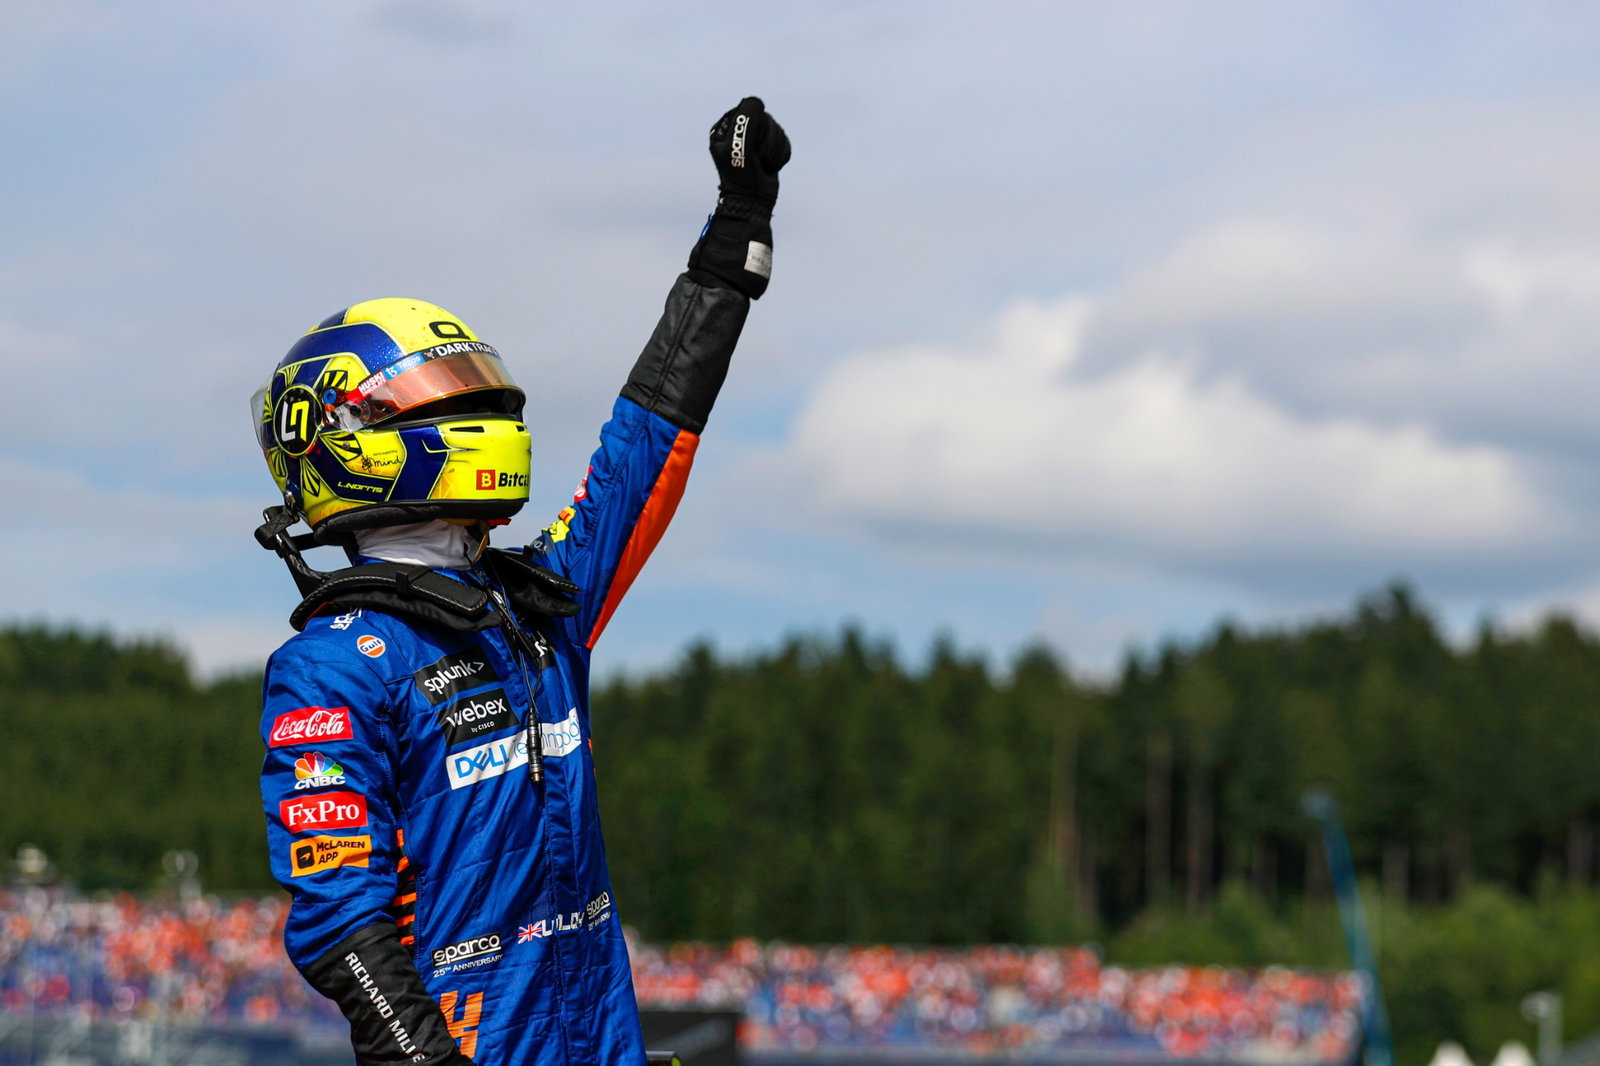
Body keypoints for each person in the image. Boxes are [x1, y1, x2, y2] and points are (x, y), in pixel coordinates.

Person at [250, 98, 790, 1065]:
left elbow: (643, 449)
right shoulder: (330, 669)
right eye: (449, 397)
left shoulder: (537, 604)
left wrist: (732, 243)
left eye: (481, 393)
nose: (485, 416)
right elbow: (341, 925)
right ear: (347, 440)